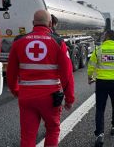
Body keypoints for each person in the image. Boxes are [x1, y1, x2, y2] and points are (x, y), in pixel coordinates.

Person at [7, 10, 75, 147]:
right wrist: (69, 99)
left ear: (33, 23)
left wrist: (16, 91)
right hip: (50, 97)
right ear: (50, 23)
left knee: (27, 136)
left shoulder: (19, 42)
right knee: (53, 129)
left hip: (26, 97)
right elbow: (67, 74)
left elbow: (11, 72)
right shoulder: (58, 42)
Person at [87, 30, 114, 147]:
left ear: (105, 38)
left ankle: (99, 134)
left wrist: (90, 77)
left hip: (101, 83)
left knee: (100, 109)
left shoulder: (98, 50)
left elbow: (91, 65)